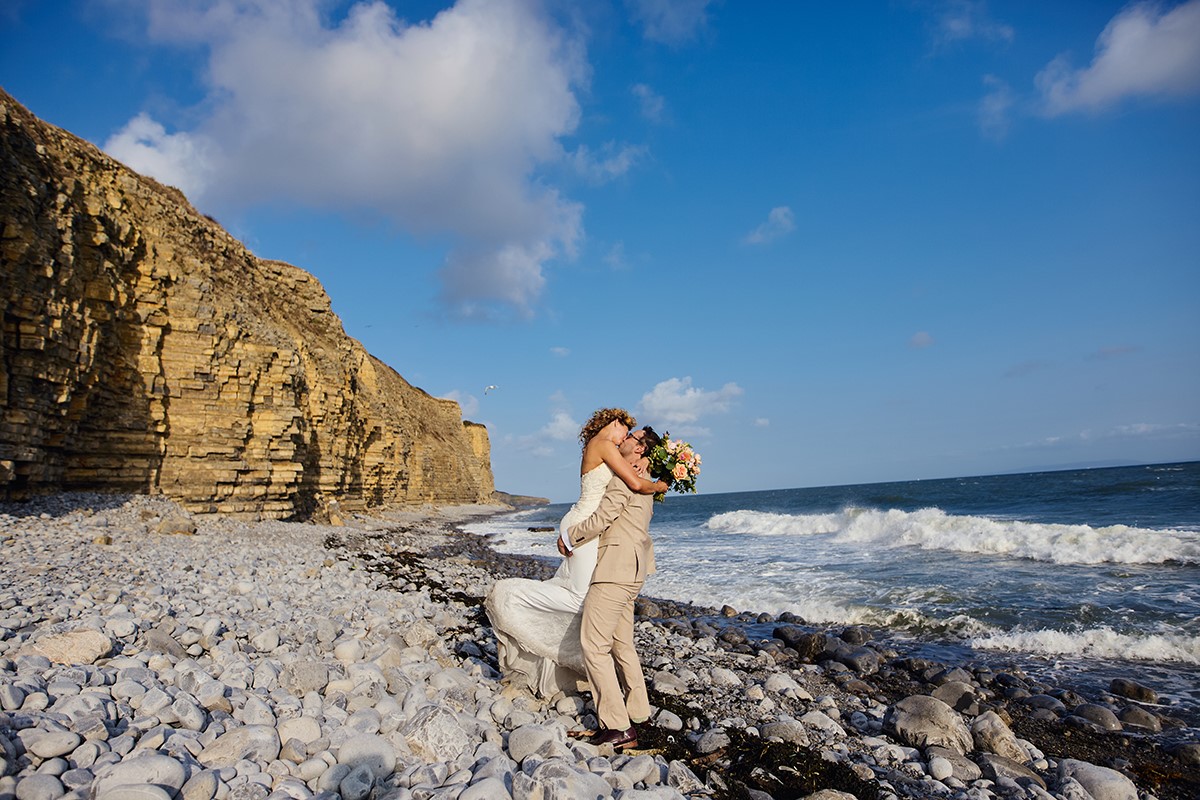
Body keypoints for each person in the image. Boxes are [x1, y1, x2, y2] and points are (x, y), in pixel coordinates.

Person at [485, 410, 666, 698]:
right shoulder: (604, 445)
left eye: (631, 434)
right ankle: (512, 597)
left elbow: (631, 476)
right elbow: (633, 483)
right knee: (581, 598)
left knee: (581, 593)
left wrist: (644, 466)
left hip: (587, 528)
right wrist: (659, 485)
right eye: (625, 430)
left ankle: (577, 661)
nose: (625, 437)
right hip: (584, 527)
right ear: (613, 424)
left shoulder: (608, 449)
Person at [565, 445, 659, 751]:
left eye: (630, 440)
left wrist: (570, 536)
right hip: (635, 570)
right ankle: (640, 713)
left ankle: (618, 726)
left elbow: (604, 517)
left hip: (614, 570)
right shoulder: (646, 484)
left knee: (593, 646)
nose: (620, 447)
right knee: (622, 644)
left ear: (641, 450)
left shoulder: (626, 479)